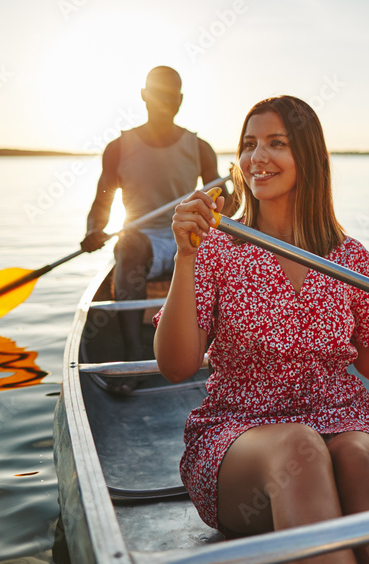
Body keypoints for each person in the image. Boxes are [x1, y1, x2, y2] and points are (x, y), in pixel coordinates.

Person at [153, 95, 369, 563]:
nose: (256, 157)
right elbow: (176, 366)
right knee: (299, 446)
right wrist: (185, 255)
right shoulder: (216, 246)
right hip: (240, 437)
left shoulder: (349, 258)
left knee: (358, 458)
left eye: (276, 143)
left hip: (342, 422)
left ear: (308, 158)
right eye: (249, 144)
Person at [80, 66, 225, 374]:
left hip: (187, 236)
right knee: (129, 245)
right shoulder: (119, 148)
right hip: (141, 240)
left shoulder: (199, 148)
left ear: (180, 100)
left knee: (222, 250)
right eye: (158, 94)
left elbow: (223, 204)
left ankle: (217, 352)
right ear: (144, 95)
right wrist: (94, 230)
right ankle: (133, 352)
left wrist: (229, 194)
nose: (164, 101)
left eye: (171, 95)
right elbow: (102, 202)